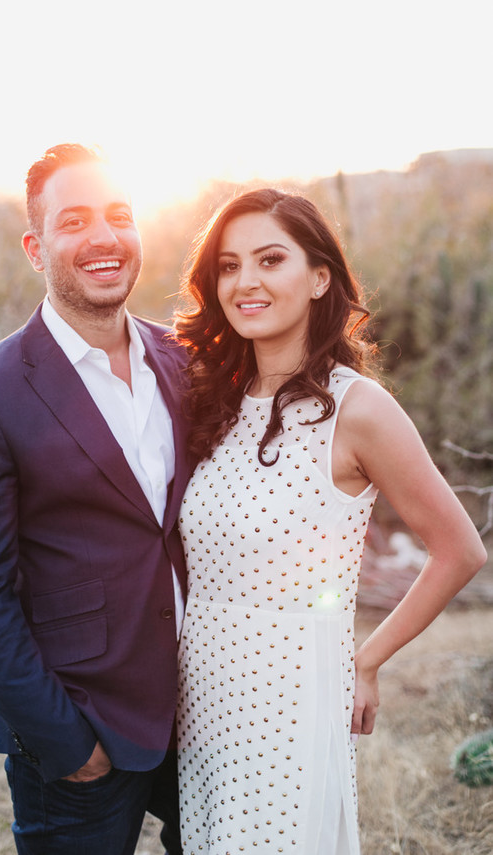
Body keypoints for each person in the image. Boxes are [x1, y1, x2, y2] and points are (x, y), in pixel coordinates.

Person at [173, 188, 486, 854]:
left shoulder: (358, 408)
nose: (245, 281)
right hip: (201, 691)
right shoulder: (212, 398)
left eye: (270, 259)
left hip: (292, 691)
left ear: (320, 278)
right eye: (228, 266)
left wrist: (367, 662)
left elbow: (459, 549)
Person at [0, 143, 190, 855]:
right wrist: (64, 739)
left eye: (119, 216)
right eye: (73, 222)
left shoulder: (185, 362)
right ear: (34, 248)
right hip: (83, 733)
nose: (103, 237)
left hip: (205, 718)